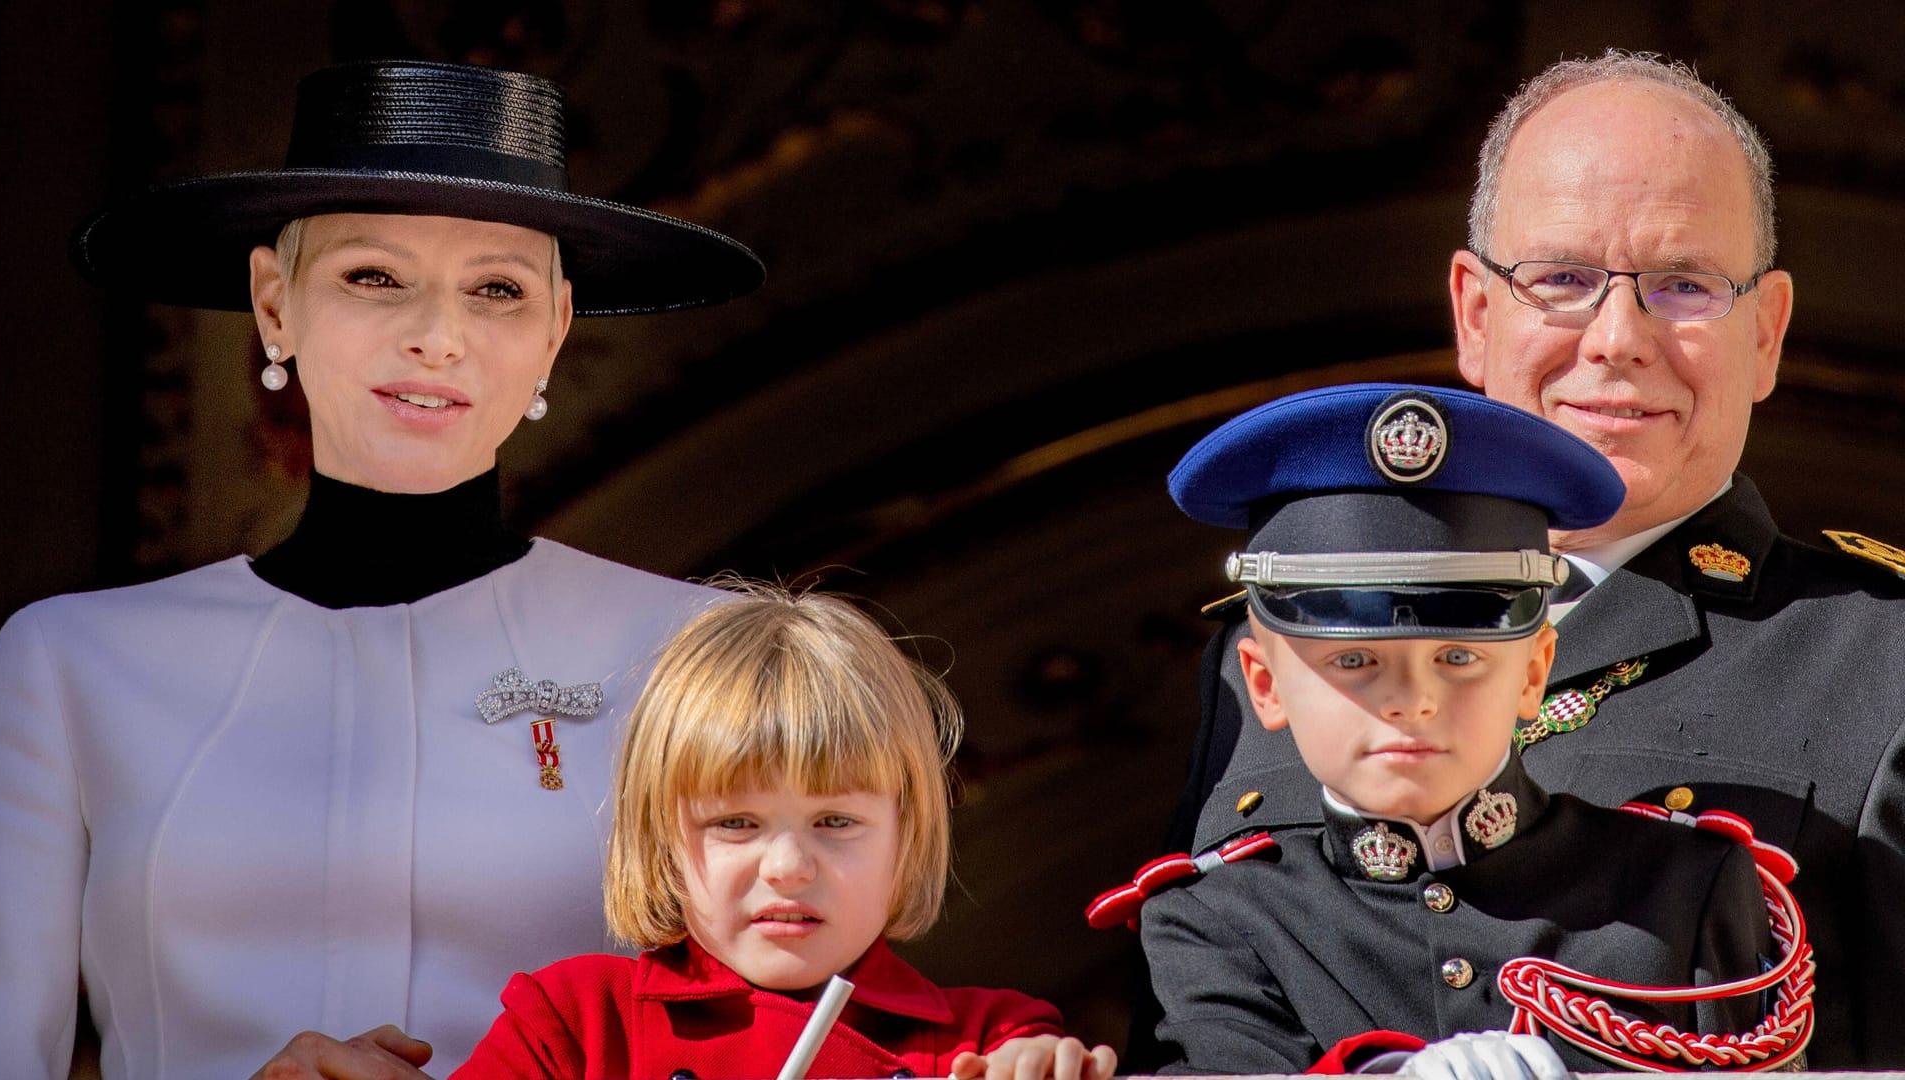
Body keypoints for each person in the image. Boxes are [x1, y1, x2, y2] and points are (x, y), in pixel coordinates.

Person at [0, 60, 767, 1079]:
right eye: (372, 276)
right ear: (274, 303)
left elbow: (784, 1035)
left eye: (497, 290)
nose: (437, 336)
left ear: (555, 331)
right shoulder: (66, 666)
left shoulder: (693, 655)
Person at [1167, 51, 1905, 1068]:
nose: (1617, 339)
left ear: (1768, 332)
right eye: (1562, 279)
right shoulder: (1276, 642)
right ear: (1476, 313)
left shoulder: (1881, 661)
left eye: (1683, 285)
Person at [1102, 383, 1811, 1075]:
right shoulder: (1217, 922)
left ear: (1533, 672)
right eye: (1354, 659)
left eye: (1458, 656)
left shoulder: (1683, 884)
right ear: (1264, 686)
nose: (1412, 700)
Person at [451, 583, 1119, 1080]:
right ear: (660, 838)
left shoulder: (988, 1041)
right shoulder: (576, 1023)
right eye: (736, 823)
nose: (790, 866)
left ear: (905, 836)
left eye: (836, 821)